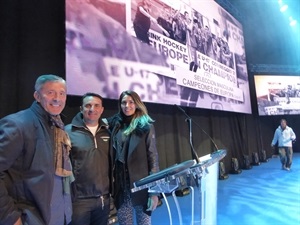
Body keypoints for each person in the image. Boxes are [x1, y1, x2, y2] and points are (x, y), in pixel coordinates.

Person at [0, 74, 73, 225]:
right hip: (30, 218)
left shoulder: (57, 127)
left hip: (57, 217)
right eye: (50, 92)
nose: (57, 98)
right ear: (37, 96)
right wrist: (11, 217)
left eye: (62, 93)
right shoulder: (18, 124)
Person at [108, 90, 159, 225]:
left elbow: (153, 158)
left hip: (141, 187)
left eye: (131, 102)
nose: (127, 105)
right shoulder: (115, 125)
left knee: (144, 222)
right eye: (124, 102)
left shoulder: (146, 126)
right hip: (121, 187)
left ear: (137, 104)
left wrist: (154, 192)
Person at [65, 93, 111, 225]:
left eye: (97, 106)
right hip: (79, 201)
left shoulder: (108, 132)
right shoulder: (68, 131)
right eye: (88, 105)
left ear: (102, 109)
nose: (92, 109)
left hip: (104, 199)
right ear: (81, 109)